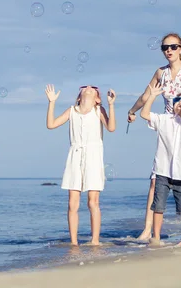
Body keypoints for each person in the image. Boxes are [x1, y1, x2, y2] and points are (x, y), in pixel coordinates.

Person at [127, 33, 181, 241]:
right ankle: (148, 230)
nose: (169, 51)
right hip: (167, 128)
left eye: (173, 47)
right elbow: (146, 95)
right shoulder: (161, 73)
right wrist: (132, 110)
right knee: (156, 179)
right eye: (165, 47)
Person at [45, 84, 117, 245]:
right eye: (85, 87)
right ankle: (74, 242)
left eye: (93, 88)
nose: (89, 87)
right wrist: (52, 102)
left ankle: (95, 241)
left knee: (93, 201)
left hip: (93, 155)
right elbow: (51, 124)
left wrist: (111, 105)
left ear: (97, 99)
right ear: (79, 97)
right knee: (72, 202)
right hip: (75, 155)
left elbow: (111, 127)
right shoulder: (72, 111)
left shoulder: (99, 111)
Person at [140, 85, 181, 247]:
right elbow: (144, 114)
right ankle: (156, 236)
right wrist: (152, 96)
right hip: (162, 171)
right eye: (177, 100)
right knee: (158, 205)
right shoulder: (164, 120)